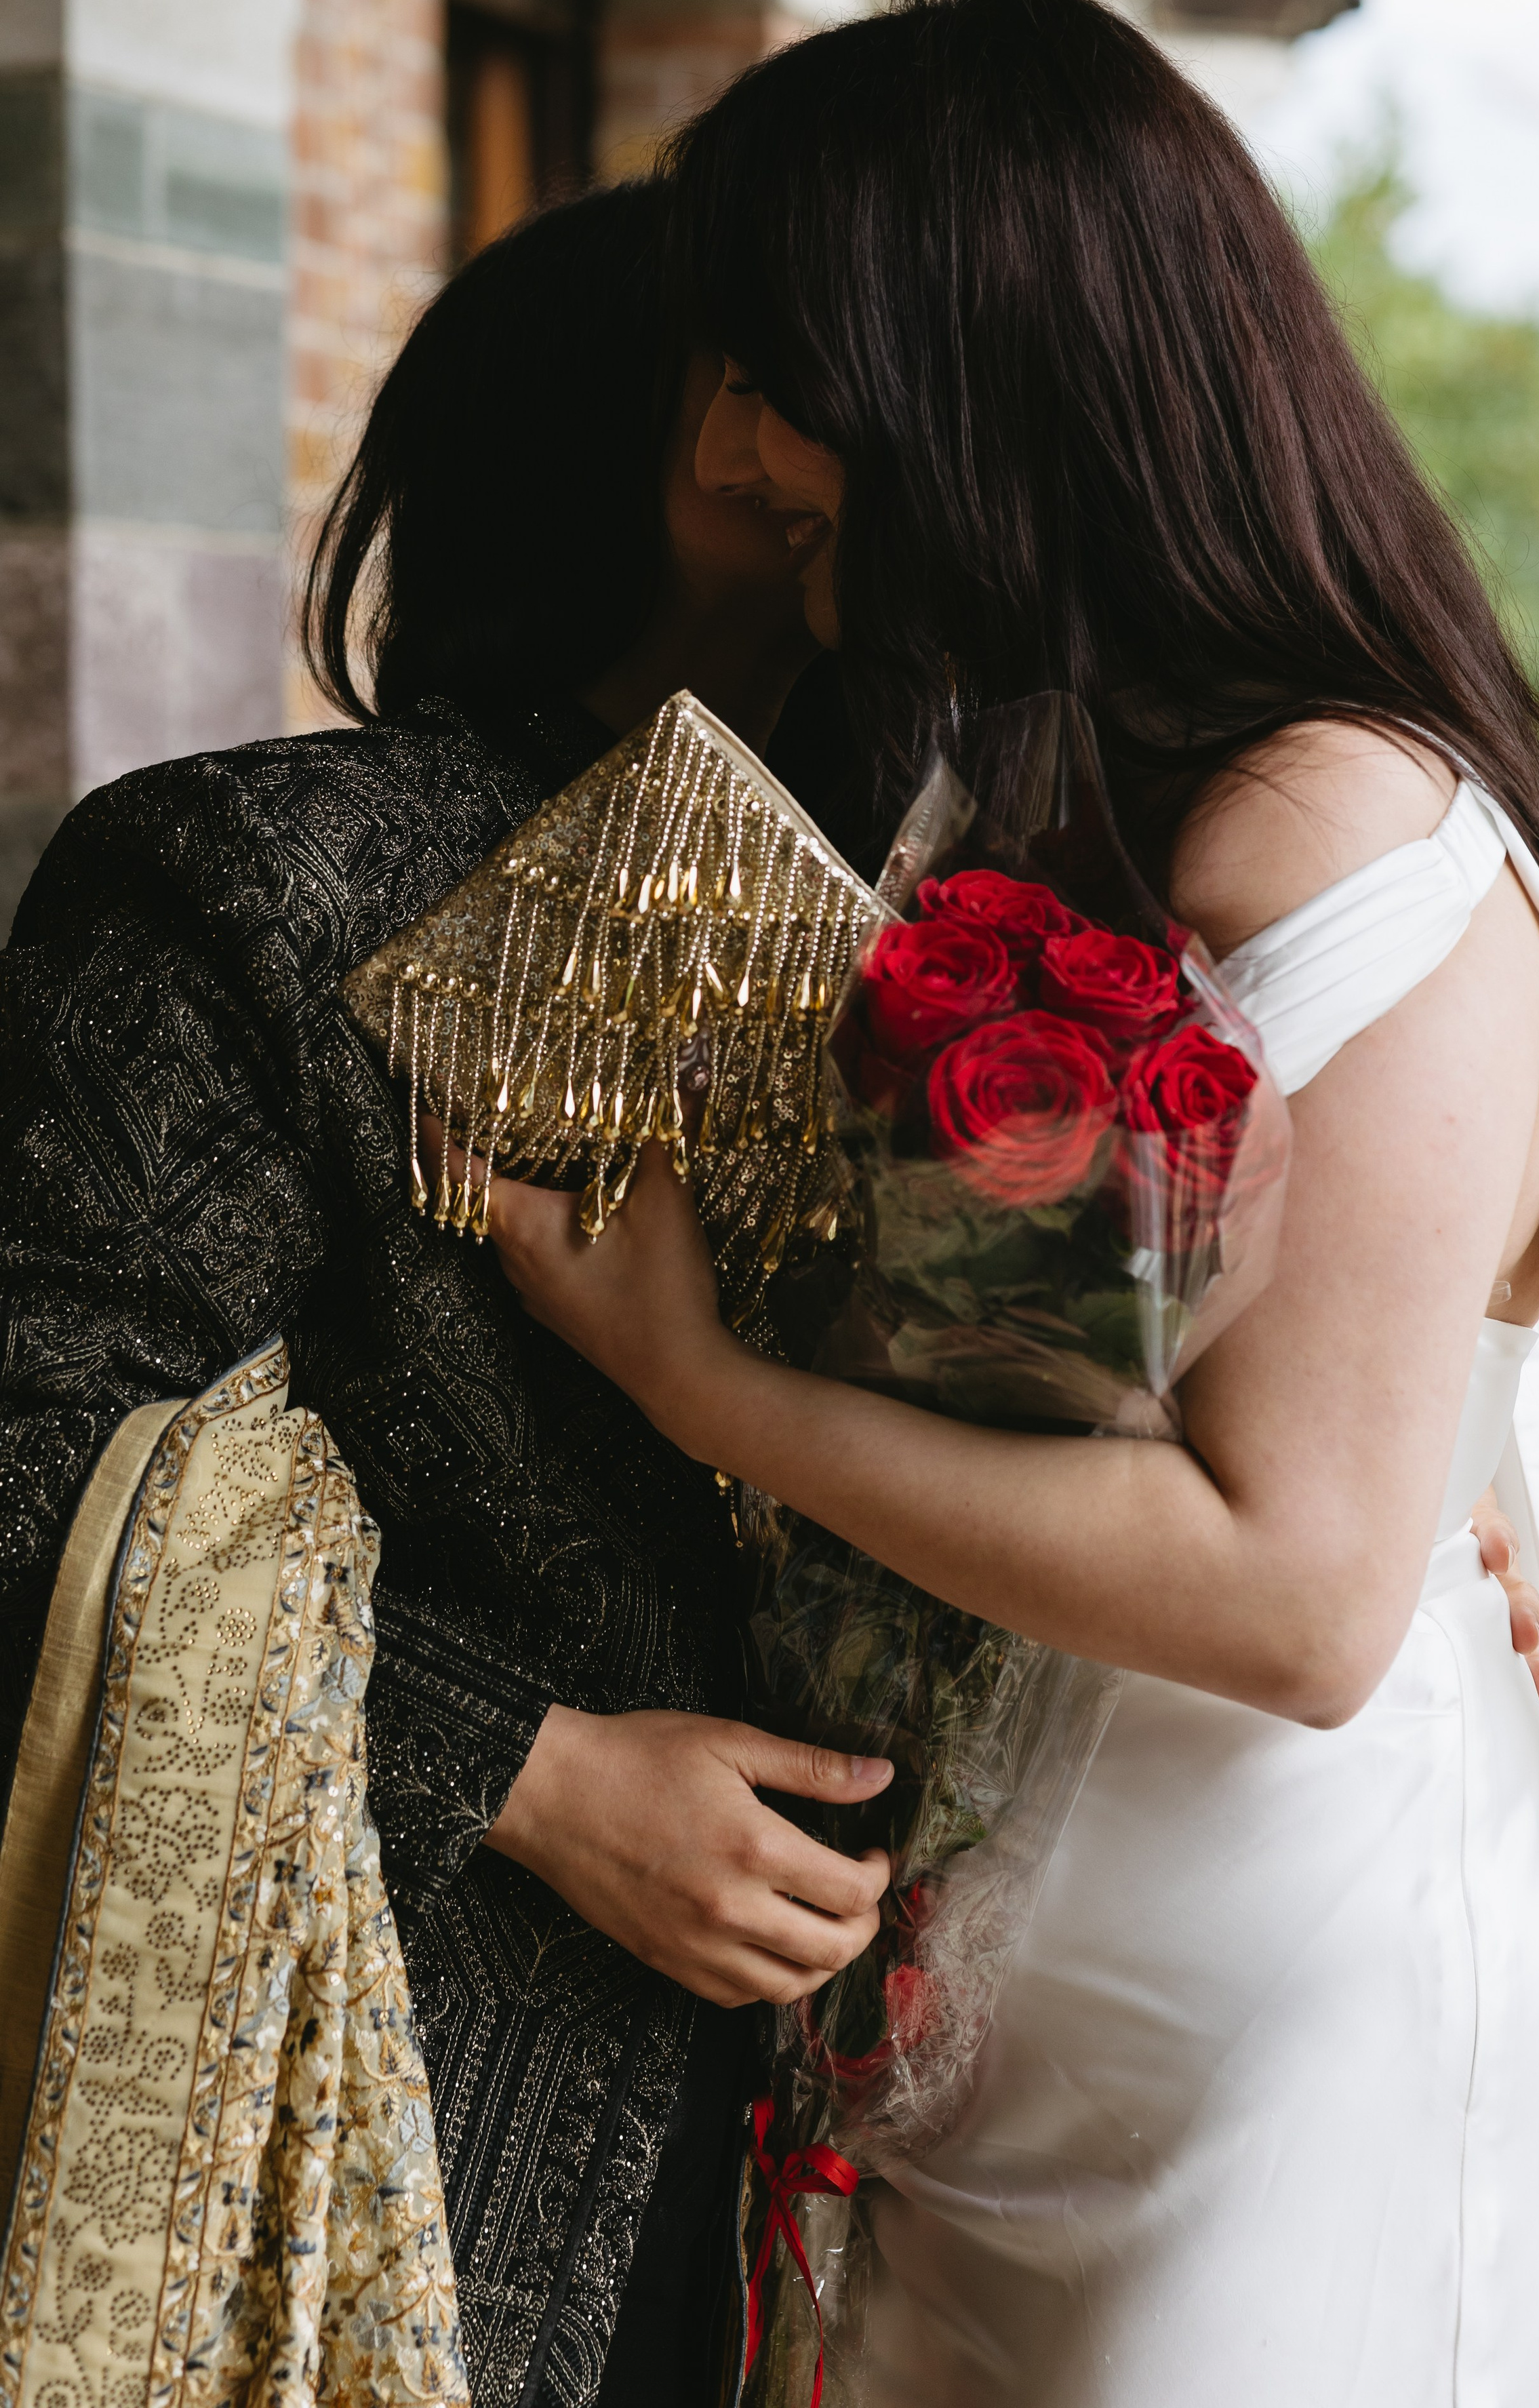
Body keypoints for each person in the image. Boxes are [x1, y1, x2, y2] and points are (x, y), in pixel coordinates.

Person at [482, 0, 1539, 2405]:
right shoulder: (1044, 791)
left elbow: (1295, 1602)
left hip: (1276, 2059)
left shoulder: (1337, 831)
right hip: (1020, 2027)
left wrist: (690, 1375)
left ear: (972, 380)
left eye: (779, 374)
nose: (740, 452)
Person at [0, 181, 896, 2408]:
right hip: (359, 2113)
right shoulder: (241, 877)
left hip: (850, 2135)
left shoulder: (954, 941)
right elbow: (31, 1457)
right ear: (709, 444)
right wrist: (533, 1771)